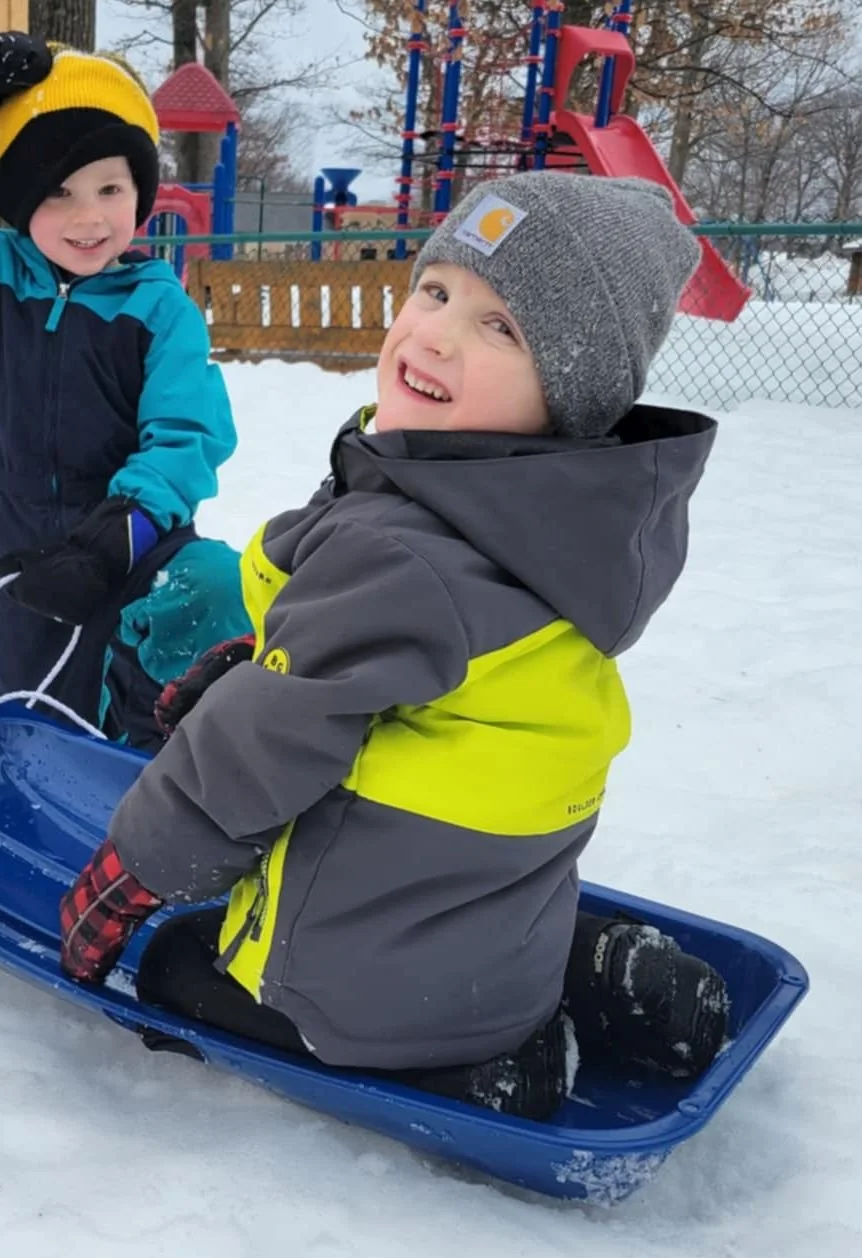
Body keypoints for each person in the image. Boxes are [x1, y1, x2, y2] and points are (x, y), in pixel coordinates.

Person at [55, 171, 730, 1117]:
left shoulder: (403, 547)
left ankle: (474, 1071)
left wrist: (128, 875)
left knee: (174, 964)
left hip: (371, 988)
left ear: (570, 394)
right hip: (485, 900)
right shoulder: (549, 518)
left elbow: (249, 757)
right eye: (439, 289)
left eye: (503, 328)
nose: (438, 332)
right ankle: (571, 967)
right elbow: (407, 671)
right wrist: (272, 658)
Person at [0, 35, 244, 743]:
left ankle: (165, 788)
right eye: (58, 192)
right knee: (31, 706)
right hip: (16, 539)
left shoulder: (159, 309)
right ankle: (39, 797)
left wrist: (122, 532)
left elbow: (187, 433)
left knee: (203, 598)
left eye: (110, 189)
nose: (89, 218)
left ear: (139, 195)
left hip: (135, 537)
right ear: (21, 198)